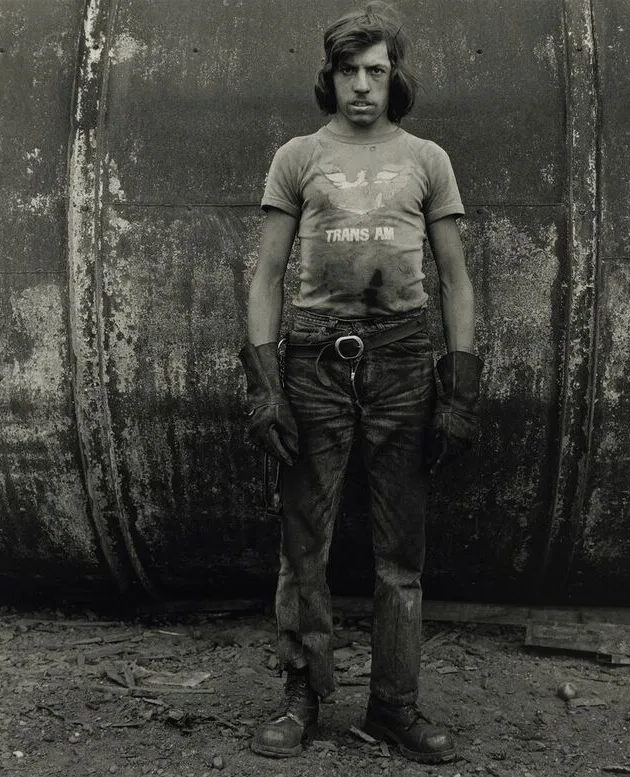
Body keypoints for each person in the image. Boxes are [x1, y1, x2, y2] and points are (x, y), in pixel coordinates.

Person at [239, 1, 482, 764]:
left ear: (394, 77)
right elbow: (268, 274)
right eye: (349, 71)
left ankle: (394, 705)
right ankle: (303, 696)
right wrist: (267, 382)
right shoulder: (298, 157)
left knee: (399, 554)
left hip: (405, 363)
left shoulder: (426, 159)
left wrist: (461, 387)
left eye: (376, 71)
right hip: (314, 359)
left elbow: (455, 280)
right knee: (303, 543)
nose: (362, 87)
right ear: (330, 77)